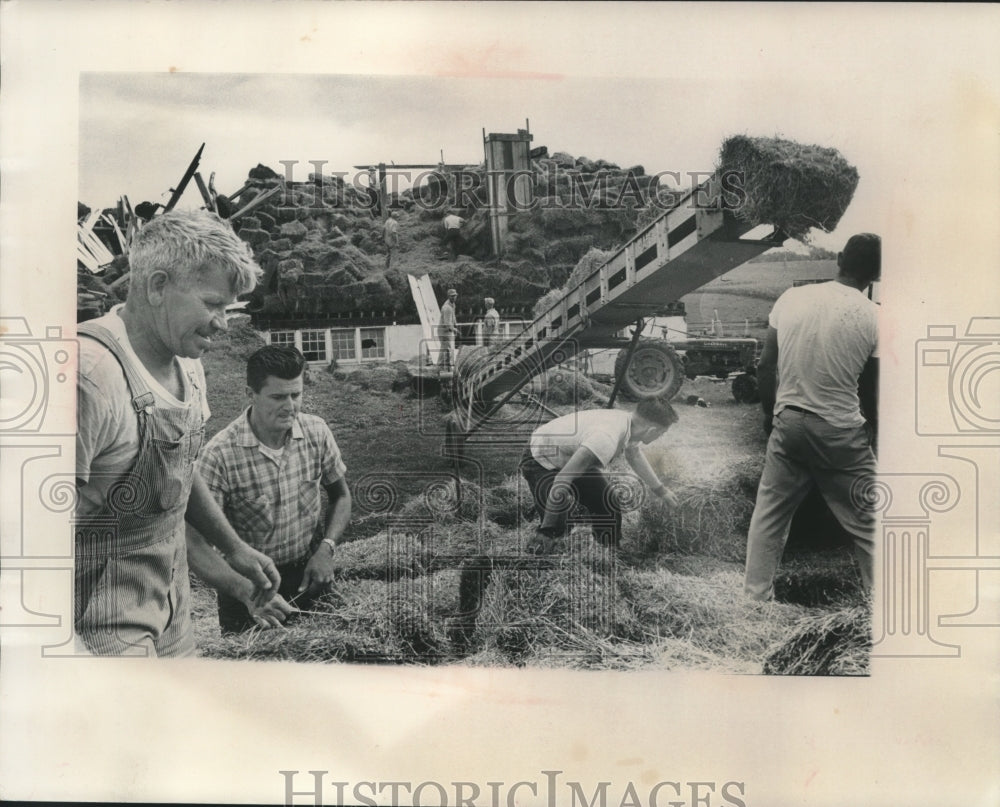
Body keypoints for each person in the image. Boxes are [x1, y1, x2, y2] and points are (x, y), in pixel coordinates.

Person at [75, 209, 283, 657]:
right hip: (98, 625)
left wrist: (234, 549)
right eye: (212, 304)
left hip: (172, 605)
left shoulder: (188, 364)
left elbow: (179, 467)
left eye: (227, 308)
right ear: (157, 286)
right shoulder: (88, 377)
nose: (223, 323)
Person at [744, 233, 881, 601]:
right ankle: (882, 603)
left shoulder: (792, 297)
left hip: (789, 422)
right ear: (877, 274)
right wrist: (875, 432)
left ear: (838, 258)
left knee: (769, 516)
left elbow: (765, 366)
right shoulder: (874, 315)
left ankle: (754, 601)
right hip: (840, 431)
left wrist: (770, 416)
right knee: (872, 521)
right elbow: (871, 387)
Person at [194, 345, 353, 633]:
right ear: (249, 394)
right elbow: (197, 543)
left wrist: (326, 550)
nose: (290, 406)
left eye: (296, 395)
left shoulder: (316, 432)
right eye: (278, 397)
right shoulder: (218, 455)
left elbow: (341, 495)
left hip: (309, 575)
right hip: (247, 588)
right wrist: (246, 591)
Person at [520, 399, 680, 554]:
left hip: (570, 455)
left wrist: (661, 491)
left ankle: (610, 552)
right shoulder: (606, 437)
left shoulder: (630, 425)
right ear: (652, 430)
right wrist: (547, 530)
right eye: (662, 433)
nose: (661, 437)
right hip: (541, 459)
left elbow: (635, 455)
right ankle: (542, 556)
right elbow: (562, 479)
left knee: (607, 500)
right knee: (560, 522)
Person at [438, 288, 458, 370]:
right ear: (448, 296)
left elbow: (453, 317)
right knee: (448, 349)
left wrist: (455, 325)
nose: (454, 297)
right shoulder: (447, 308)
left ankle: (442, 367)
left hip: (447, 330)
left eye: (455, 296)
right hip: (445, 331)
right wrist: (454, 329)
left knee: (445, 349)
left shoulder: (452, 305)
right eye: (452, 296)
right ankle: (447, 368)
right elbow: (447, 323)